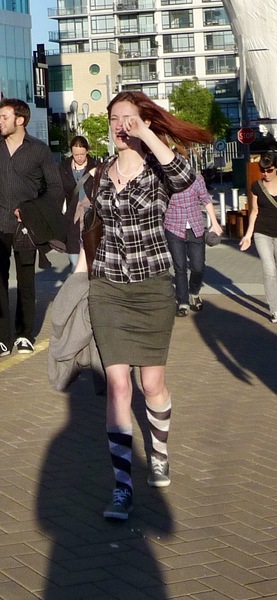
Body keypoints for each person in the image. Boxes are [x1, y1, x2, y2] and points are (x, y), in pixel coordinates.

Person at [73, 90, 211, 520]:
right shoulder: (99, 173)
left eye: (128, 117)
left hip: (152, 287)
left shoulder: (158, 169)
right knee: (118, 385)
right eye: (114, 118)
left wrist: (147, 134)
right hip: (108, 288)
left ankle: (160, 450)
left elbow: (185, 176)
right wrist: (80, 276)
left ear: (143, 121)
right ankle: (122, 486)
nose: (119, 125)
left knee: (152, 384)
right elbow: (91, 231)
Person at [0, 98, 65, 357]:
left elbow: (56, 188)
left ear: (20, 119)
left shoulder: (39, 150)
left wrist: (35, 212)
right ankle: (3, 338)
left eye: (4, 116)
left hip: (26, 227)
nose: (0, 121)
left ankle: (25, 334)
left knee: (26, 282)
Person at [165, 172, 223, 316]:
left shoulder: (197, 178)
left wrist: (214, 223)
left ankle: (194, 292)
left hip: (195, 227)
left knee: (198, 266)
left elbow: (205, 198)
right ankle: (183, 301)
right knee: (180, 267)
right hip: (173, 227)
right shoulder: (166, 178)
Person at [240, 151, 277, 323]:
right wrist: (248, 236)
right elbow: (254, 212)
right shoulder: (257, 187)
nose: (265, 174)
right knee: (270, 270)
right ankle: (275, 309)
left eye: (269, 170)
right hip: (262, 232)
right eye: (263, 170)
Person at [59, 136, 96, 271]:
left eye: (82, 154)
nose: (79, 158)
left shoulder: (96, 167)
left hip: (91, 219)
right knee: (74, 264)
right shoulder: (63, 169)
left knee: (91, 263)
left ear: (87, 151)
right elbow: (58, 192)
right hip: (72, 219)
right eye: (76, 155)